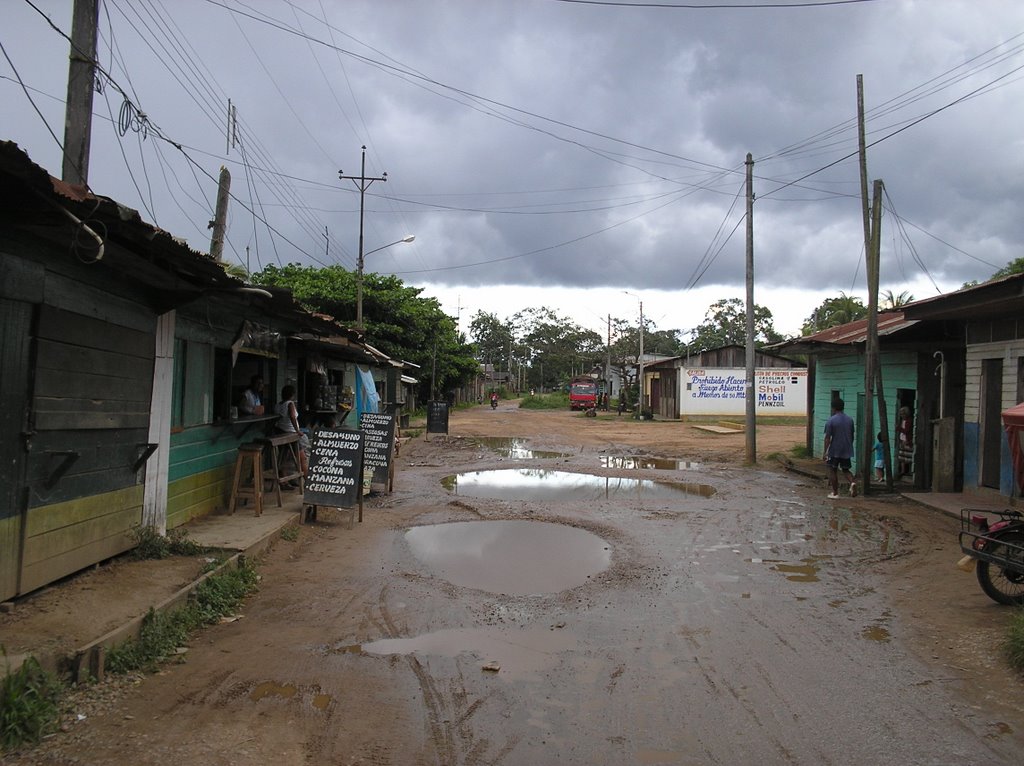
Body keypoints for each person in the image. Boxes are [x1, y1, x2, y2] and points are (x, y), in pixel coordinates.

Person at [823, 398, 856, 498]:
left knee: (833, 470)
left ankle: (835, 493)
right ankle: (853, 483)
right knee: (846, 470)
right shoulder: (850, 420)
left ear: (833, 408)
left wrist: (825, 452)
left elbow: (827, 438)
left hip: (835, 450)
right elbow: (852, 435)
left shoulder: (831, 420)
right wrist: (849, 445)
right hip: (846, 449)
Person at [275, 385, 309, 477]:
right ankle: (308, 481)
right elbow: (293, 416)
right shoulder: (290, 403)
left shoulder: (278, 405)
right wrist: (297, 430)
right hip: (290, 434)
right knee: (303, 458)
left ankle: (284, 481)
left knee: (284, 458)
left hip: (281, 432)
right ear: (292, 394)